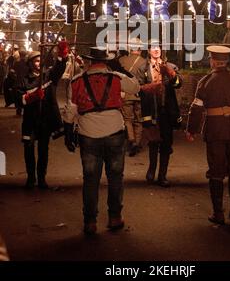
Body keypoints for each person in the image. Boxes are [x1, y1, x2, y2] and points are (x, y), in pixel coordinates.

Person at [63, 47, 140, 236]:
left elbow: (70, 110)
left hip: (88, 134)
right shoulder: (116, 78)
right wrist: (120, 69)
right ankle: (114, 217)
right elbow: (136, 86)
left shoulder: (76, 81)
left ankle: (90, 222)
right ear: (106, 62)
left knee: (90, 180)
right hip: (114, 132)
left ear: (89, 62)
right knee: (115, 177)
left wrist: (67, 133)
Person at [186, 45, 230, 225]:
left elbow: (197, 108)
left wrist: (191, 129)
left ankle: (218, 213)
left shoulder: (205, 82)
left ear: (212, 61)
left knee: (216, 171)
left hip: (215, 131)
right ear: (226, 62)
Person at [16, 41, 68, 189]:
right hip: (30, 121)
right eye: (36, 61)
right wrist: (31, 97)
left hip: (45, 120)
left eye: (40, 60)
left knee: (43, 150)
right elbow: (19, 99)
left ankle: (42, 179)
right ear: (31, 63)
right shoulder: (24, 79)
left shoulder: (48, 75)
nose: (39, 63)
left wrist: (62, 55)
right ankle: (31, 178)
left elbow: (59, 69)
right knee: (29, 149)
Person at [137, 40, 182, 187]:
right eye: (153, 47)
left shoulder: (171, 66)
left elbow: (178, 84)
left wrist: (171, 73)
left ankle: (162, 175)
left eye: (158, 47)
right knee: (153, 141)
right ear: (148, 51)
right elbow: (137, 88)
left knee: (166, 143)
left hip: (167, 111)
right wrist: (150, 87)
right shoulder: (142, 68)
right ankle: (151, 171)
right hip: (151, 110)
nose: (156, 50)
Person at [119, 38, 147, 156]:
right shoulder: (145, 62)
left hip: (126, 94)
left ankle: (131, 140)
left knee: (127, 119)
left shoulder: (121, 60)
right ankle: (137, 142)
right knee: (139, 120)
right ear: (140, 49)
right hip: (139, 94)